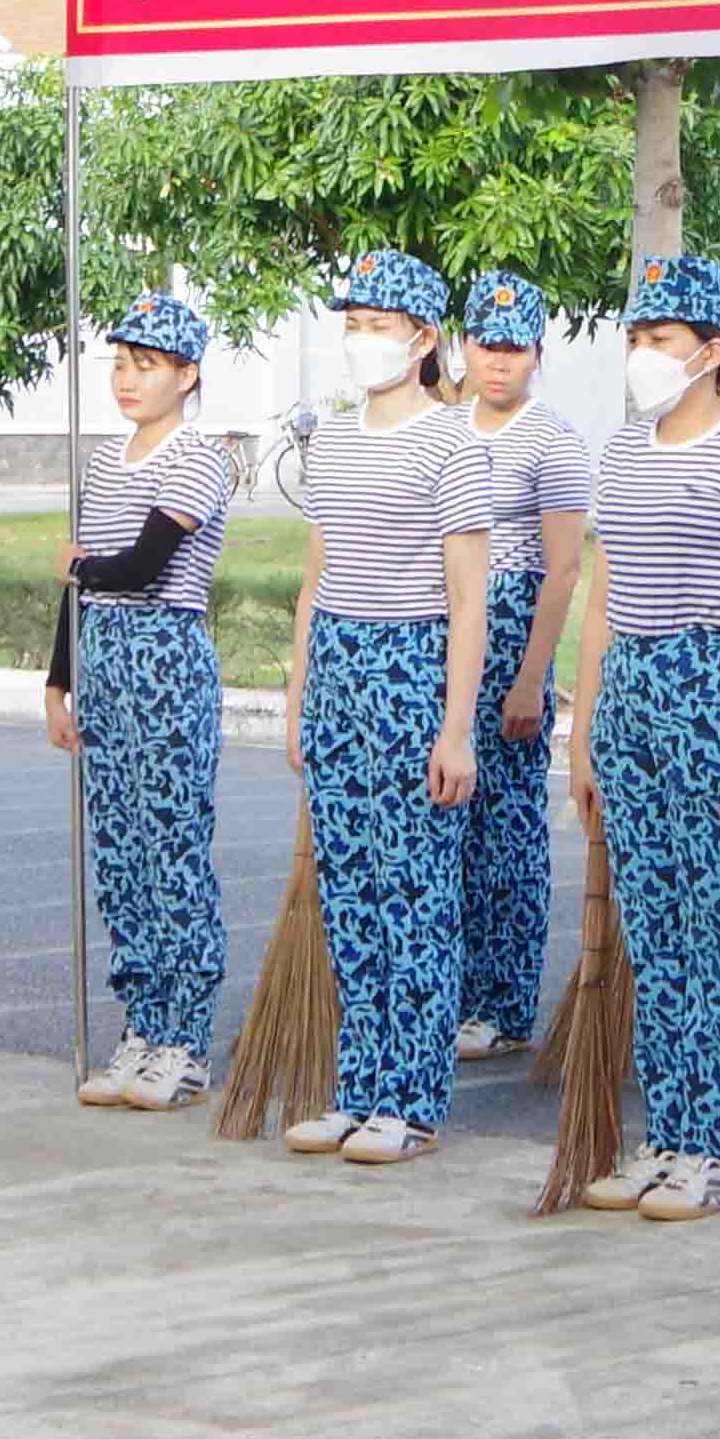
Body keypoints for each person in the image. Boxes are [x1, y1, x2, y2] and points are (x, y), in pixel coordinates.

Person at [556, 255, 720, 1221]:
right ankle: (665, 1132)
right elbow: (604, 603)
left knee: (715, 932)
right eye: (633, 339)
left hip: (716, 686)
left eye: (659, 340)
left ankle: (713, 1148)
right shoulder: (622, 453)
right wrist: (585, 733)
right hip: (634, 692)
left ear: (711, 352)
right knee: (657, 935)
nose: (641, 355)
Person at [275, 254, 482, 1164]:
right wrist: (298, 696)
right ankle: (359, 1087)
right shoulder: (336, 436)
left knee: (415, 893)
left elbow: (469, 598)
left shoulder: (453, 443)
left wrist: (456, 725)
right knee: (350, 890)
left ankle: (412, 1099)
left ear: (424, 338)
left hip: (411, 661)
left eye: (379, 322)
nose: (362, 339)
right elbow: (316, 578)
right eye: (352, 321)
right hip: (340, 666)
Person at [62, 287, 239, 1113]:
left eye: (148, 366)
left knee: (172, 844)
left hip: (163, 649)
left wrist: (78, 570)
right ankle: (141, 1021)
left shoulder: (200, 458)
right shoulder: (105, 460)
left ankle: (185, 1038)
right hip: (103, 651)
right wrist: (58, 680)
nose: (128, 380)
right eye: (121, 364)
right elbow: (83, 585)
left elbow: (140, 565)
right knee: (123, 850)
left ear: (187, 374)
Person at [438, 272, 590, 1065]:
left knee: (509, 831)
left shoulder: (551, 439)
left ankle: (504, 1001)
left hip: (512, 632)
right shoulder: (442, 428)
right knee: (447, 824)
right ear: (462, 347)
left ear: (537, 354)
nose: (497, 362)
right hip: (445, 632)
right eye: (485, 345)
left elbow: (563, 570)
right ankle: (452, 987)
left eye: (514, 348)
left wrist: (533, 677)